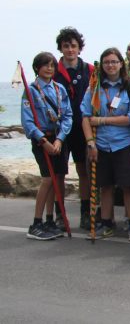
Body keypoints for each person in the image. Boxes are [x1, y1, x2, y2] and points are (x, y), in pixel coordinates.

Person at [81, 47, 130, 240]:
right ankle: (106, 223)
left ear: (121, 63)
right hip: (100, 144)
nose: (110, 65)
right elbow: (85, 117)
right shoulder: (94, 87)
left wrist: (103, 121)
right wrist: (90, 142)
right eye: (106, 62)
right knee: (104, 186)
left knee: (127, 186)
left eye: (114, 61)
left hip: (124, 144)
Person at [23, 52, 73, 240]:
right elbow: (28, 121)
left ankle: (50, 220)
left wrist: (60, 139)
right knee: (47, 178)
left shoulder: (59, 89)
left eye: (52, 65)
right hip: (42, 140)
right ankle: (36, 223)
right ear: (37, 67)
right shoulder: (31, 91)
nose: (49, 68)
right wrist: (44, 142)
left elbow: (67, 116)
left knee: (56, 178)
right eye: (45, 65)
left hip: (59, 138)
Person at [52, 27, 94, 230]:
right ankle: (60, 215)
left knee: (83, 170)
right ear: (60, 48)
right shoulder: (53, 70)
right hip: (58, 130)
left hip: (81, 127)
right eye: (66, 46)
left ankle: (86, 213)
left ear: (80, 48)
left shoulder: (89, 70)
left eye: (73, 46)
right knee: (58, 173)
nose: (70, 49)